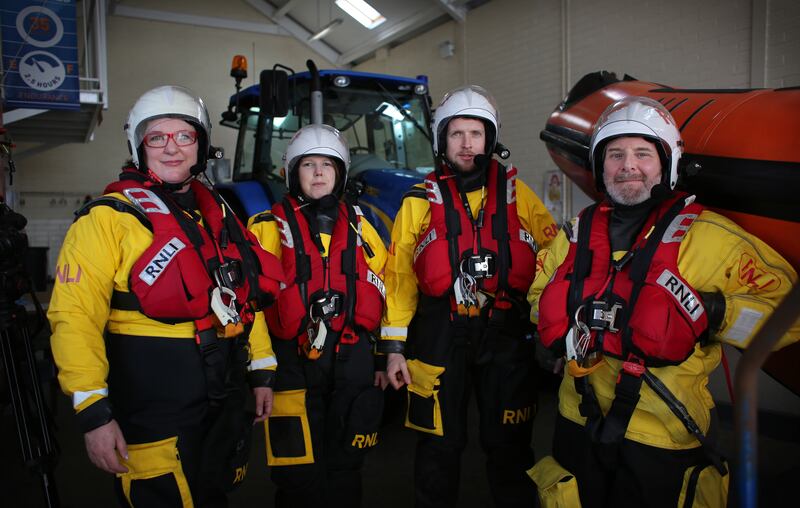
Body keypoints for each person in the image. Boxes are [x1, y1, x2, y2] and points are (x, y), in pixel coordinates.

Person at [527, 96, 800, 507]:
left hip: (663, 433)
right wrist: (551, 332)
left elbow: (791, 313)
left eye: (643, 153)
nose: (628, 165)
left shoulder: (709, 239)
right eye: (615, 154)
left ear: (667, 163)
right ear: (601, 167)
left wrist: (714, 312)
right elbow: (537, 293)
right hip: (575, 419)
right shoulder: (575, 234)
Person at [48, 85, 284, 507]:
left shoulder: (220, 214)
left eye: (184, 135)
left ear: (202, 143)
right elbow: (74, 315)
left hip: (224, 386)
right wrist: (93, 411)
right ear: (138, 146)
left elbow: (246, 297)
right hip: (151, 393)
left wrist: (261, 372)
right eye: (157, 137)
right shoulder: (107, 219)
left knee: (214, 491)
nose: (171, 148)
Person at [382, 85, 558, 508]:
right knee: (438, 447)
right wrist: (393, 346)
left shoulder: (521, 198)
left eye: (475, 134)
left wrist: (550, 327)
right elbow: (400, 276)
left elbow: (555, 259)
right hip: (439, 334)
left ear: (490, 140)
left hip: (505, 336)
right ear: (442, 140)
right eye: (456, 134)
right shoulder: (418, 202)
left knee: (510, 446)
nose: (466, 144)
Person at [248, 124, 388, 508]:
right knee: (297, 474)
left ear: (341, 172)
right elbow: (252, 303)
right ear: (293, 173)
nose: (319, 173)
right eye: (308, 164)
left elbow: (385, 286)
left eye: (327, 164)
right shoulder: (264, 229)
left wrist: (382, 353)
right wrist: (259, 368)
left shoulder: (363, 228)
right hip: (292, 360)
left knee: (346, 467)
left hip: (351, 357)